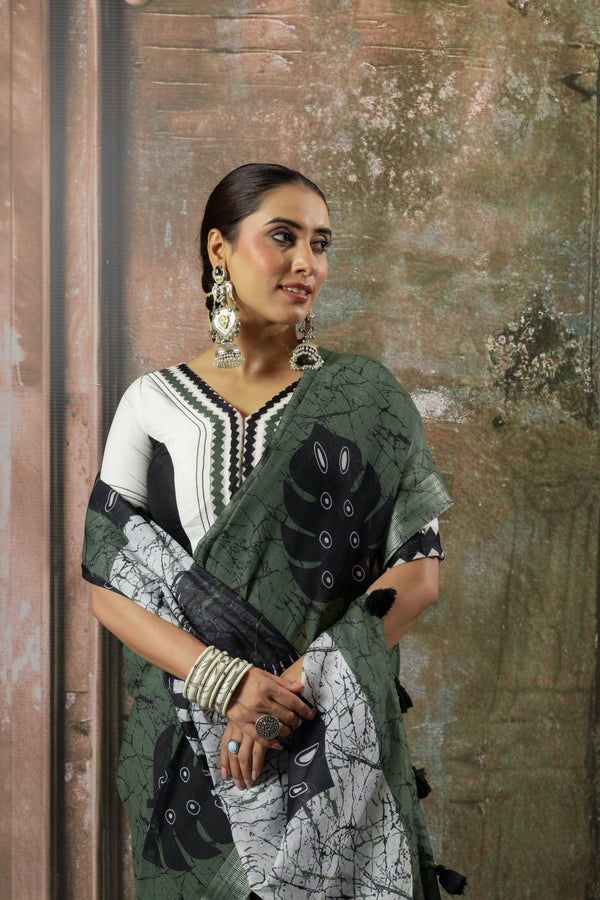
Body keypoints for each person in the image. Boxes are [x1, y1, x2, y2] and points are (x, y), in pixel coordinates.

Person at [83, 163, 462, 900]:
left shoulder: (368, 399)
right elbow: (106, 579)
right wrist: (227, 686)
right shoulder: (151, 404)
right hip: (191, 746)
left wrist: (278, 701)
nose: (306, 264)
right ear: (218, 250)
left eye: (320, 244)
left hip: (329, 731)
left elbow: (418, 575)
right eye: (282, 238)